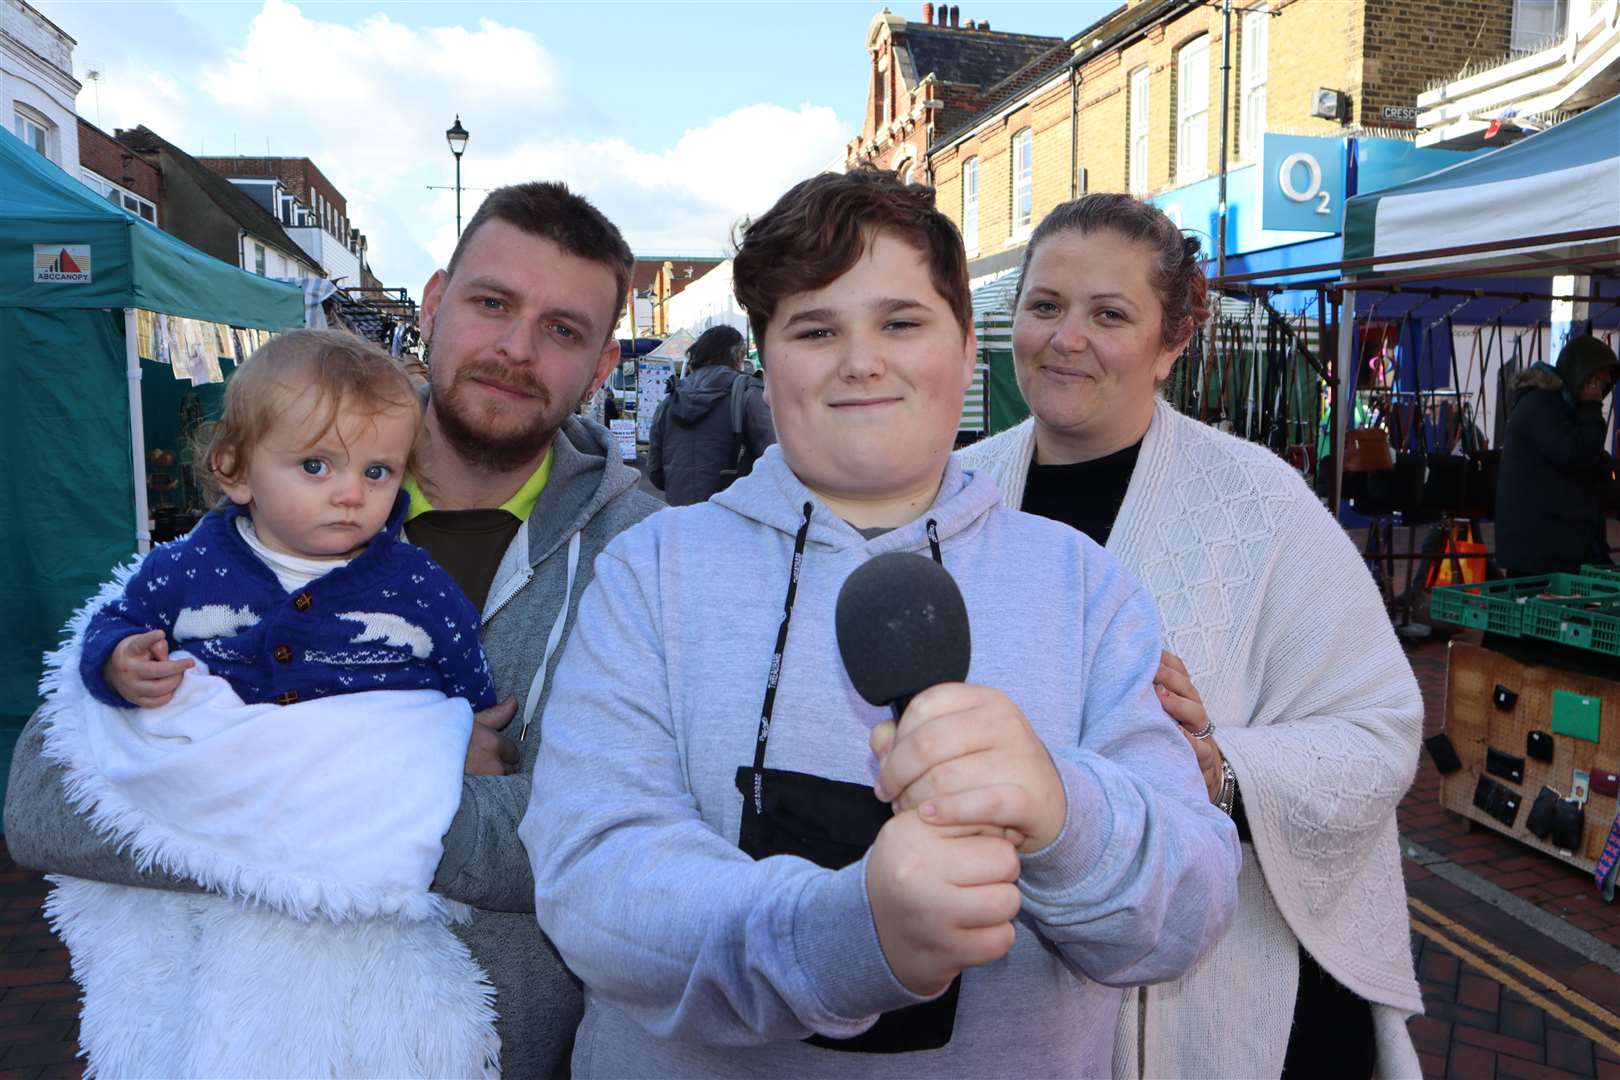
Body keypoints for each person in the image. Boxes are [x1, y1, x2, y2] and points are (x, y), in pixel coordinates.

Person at [519, 168, 1238, 1076]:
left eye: (901, 323)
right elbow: (595, 880)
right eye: (816, 329)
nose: (862, 361)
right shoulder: (651, 574)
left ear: (968, 344)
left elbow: (1190, 908)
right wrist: (852, 934)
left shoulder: (1086, 586)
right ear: (764, 359)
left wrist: (1062, 811)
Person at [5, 181, 663, 1078]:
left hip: (498, 1054)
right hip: (218, 1043)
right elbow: (47, 801)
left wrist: (212, 771)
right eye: (492, 304)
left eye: (562, 329)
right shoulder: (266, 510)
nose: (516, 348)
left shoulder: (648, 557)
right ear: (434, 305)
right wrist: (407, 790)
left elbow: (604, 850)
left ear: (601, 363)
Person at [959, 193, 1425, 1079]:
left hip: (1228, 985)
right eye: (1046, 305)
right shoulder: (956, 493)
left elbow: (1381, 728)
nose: (1067, 338)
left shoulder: (1259, 503)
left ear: (1172, 343)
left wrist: (1217, 766)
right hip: (1009, 977)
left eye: (1111, 314)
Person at [80, 329, 494, 715]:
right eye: (315, 466)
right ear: (236, 470)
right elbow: (114, 622)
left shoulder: (418, 585)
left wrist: (464, 735)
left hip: (370, 778)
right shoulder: (183, 568)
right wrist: (118, 663)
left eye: (376, 472)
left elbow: (470, 679)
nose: (352, 495)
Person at [1495, 333, 1619, 576]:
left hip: (1554, 543)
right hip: (1540, 548)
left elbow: (1592, 460)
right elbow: (1578, 453)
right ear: (1582, 373)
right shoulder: (1542, 404)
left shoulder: (1560, 405)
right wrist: (1592, 408)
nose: (1603, 386)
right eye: (1598, 379)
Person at [646, 323, 775, 505]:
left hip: (680, 520)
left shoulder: (670, 400)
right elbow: (773, 457)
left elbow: (655, 473)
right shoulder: (747, 393)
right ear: (738, 356)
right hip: (735, 516)